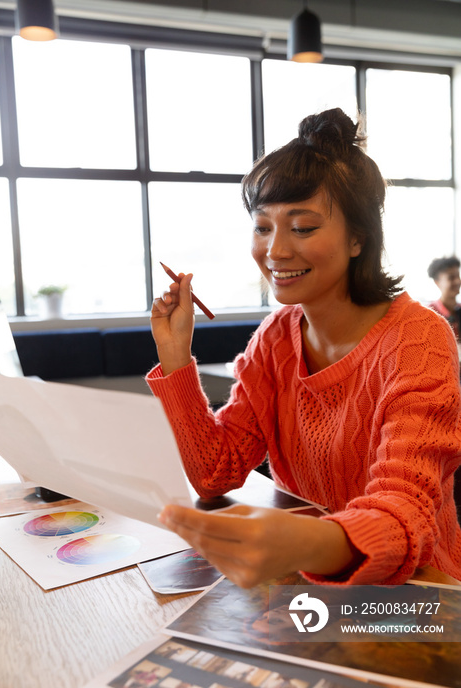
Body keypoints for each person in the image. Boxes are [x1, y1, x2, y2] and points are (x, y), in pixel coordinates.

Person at [148, 108, 461, 588]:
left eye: (303, 227)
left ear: (358, 238)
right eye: (263, 226)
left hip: (419, 593)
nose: (275, 251)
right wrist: (175, 358)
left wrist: (302, 541)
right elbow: (216, 471)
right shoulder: (275, 338)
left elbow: (405, 514)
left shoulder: (419, 340)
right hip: (307, 579)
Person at [427, 256, 461, 339]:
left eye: (458, 276)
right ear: (437, 282)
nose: (458, 281)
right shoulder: (430, 314)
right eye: (451, 278)